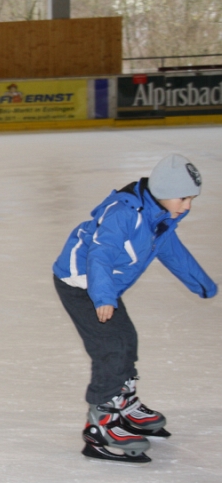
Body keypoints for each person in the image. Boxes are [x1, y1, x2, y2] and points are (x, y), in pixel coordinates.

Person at [52, 154, 217, 463]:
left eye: (191, 200)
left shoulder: (159, 217)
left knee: (127, 340)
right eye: (183, 198)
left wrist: (201, 283)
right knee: (111, 348)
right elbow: (100, 253)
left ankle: (123, 401)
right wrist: (103, 297)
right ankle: (101, 422)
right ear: (164, 191)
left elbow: (172, 251)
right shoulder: (123, 213)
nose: (187, 207)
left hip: (104, 286)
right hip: (82, 283)